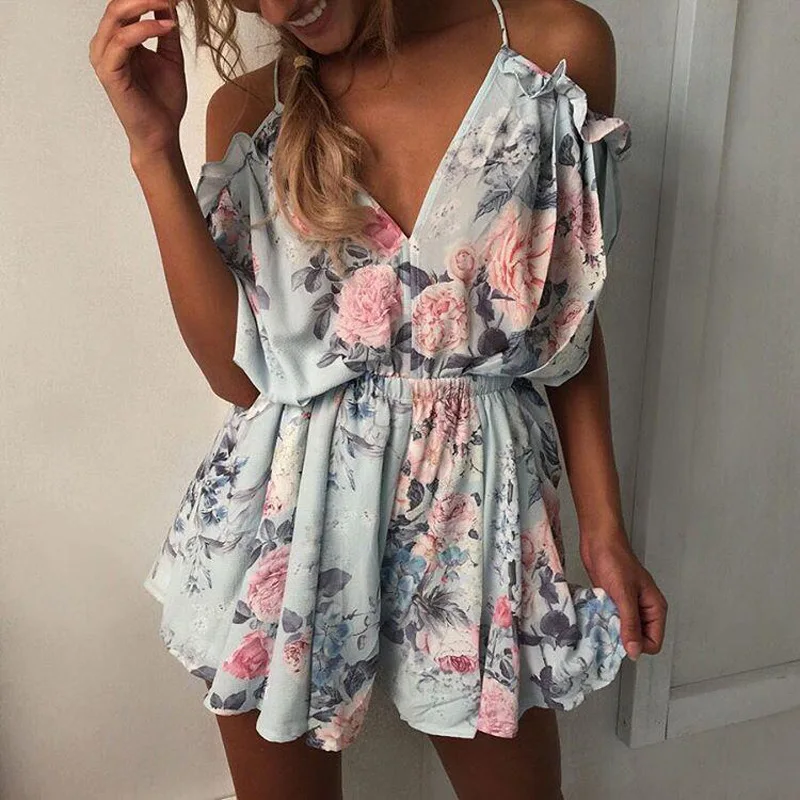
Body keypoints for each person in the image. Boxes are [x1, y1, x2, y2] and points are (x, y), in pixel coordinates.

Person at [90, 0, 668, 797]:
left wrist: (605, 528)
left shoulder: (553, 52)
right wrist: (153, 149)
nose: (279, 8)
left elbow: (564, 316)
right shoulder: (250, 108)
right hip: (287, 517)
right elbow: (238, 377)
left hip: (476, 517)